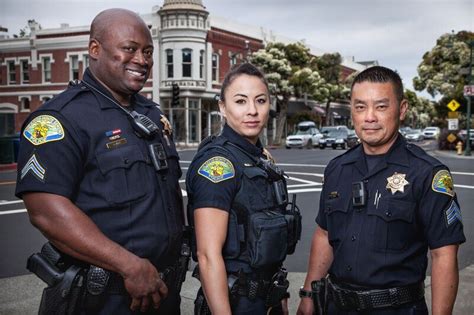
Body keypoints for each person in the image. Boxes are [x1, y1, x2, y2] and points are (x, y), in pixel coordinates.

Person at [16, 8, 186, 315]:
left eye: (148, 52)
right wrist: (128, 265)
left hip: (163, 294)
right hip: (106, 299)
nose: (142, 60)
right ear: (95, 49)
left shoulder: (150, 114)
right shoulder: (59, 119)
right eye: (129, 49)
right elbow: (46, 211)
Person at [297, 66, 465, 315]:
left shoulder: (428, 174)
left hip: (397, 308)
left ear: (402, 109)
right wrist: (309, 296)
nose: (370, 117)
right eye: (360, 106)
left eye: (381, 106)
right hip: (336, 306)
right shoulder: (337, 169)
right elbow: (324, 234)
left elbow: (443, 255)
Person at [186, 63, 300, 314]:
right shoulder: (219, 164)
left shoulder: (259, 157)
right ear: (223, 107)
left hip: (266, 299)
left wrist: (279, 294)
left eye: (260, 100)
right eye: (240, 101)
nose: (252, 110)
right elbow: (207, 255)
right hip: (235, 303)